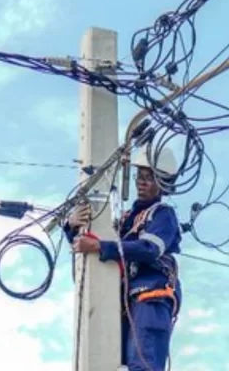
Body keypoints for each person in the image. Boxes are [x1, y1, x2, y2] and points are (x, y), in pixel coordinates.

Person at [63, 146, 183, 371]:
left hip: (151, 297)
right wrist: (72, 226)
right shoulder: (128, 220)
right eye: (140, 176)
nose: (141, 182)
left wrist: (100, 246)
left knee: (142, 366)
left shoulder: (162, 214)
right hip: (126, 305)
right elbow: (92, 243)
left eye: (149, 178)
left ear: (163, 184)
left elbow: (149, 249)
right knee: (115, 363)